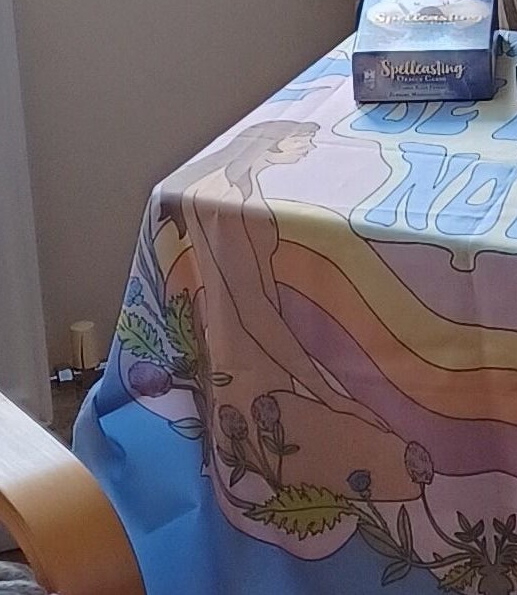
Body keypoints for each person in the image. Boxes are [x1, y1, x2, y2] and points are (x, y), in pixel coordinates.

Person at [161, 119, 387, 432]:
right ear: (274, 143)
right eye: (302, 141)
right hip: (250, 349)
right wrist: (329, 394)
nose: (308, 148)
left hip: (250, 341)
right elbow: (252, 306)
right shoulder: (227, 200)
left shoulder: (239, 186)